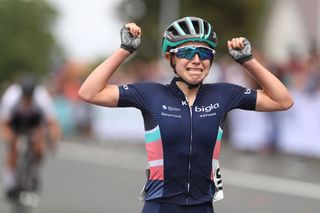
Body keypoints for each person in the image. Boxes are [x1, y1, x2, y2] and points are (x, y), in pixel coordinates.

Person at [79, 17, 293, 213]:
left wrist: (248, 61)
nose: (197, 60)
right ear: (169, 57)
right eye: (187, 52)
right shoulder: (151, 94)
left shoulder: (223, 94)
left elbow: (283, 100)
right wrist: (125, 50)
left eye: (205, 53)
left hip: (203, 207)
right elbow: (89, 92)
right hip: (160, 207)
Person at [0, 75, 61, 201]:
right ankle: (10, 183)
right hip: (15, 123)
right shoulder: (11, 97)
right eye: (25, 96)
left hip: (34, 123)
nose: (27, 99)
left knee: (39, 146)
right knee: (13, 147)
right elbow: (3, 124)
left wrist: (53, 142)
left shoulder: (42, 97)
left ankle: (33, 175)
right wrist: (9, 137)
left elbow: (52, 123)